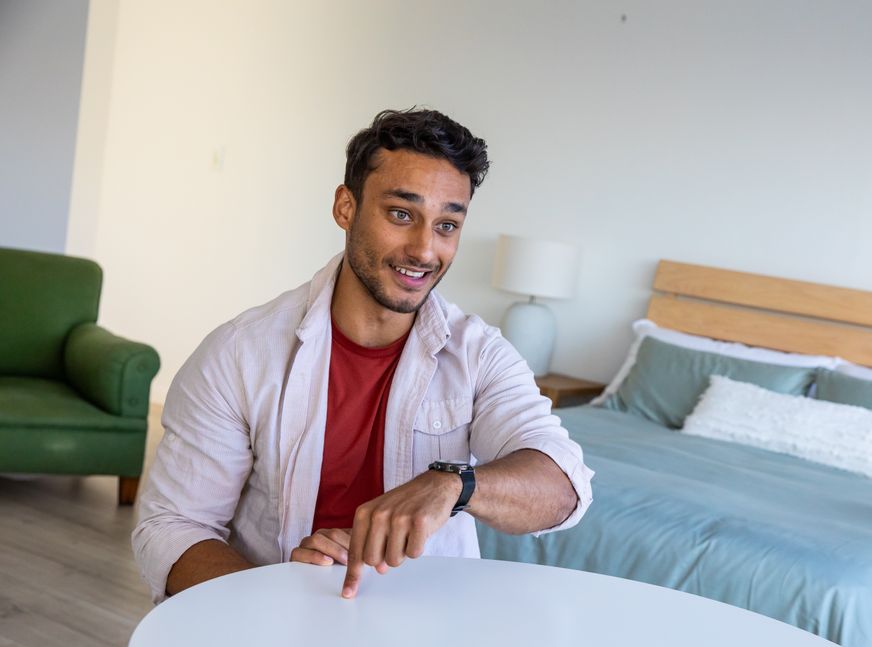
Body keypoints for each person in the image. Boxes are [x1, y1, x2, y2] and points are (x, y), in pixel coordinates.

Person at [132, 109, 593, 603]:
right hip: (267, 627)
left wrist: (452, 486)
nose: (423, 249)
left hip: (426, 634)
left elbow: (564, 485)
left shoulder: (479, 355)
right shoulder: (239, 353)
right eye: (401, 214)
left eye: (446, 224)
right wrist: (277, 594)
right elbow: (171, 528)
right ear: (345, 208)